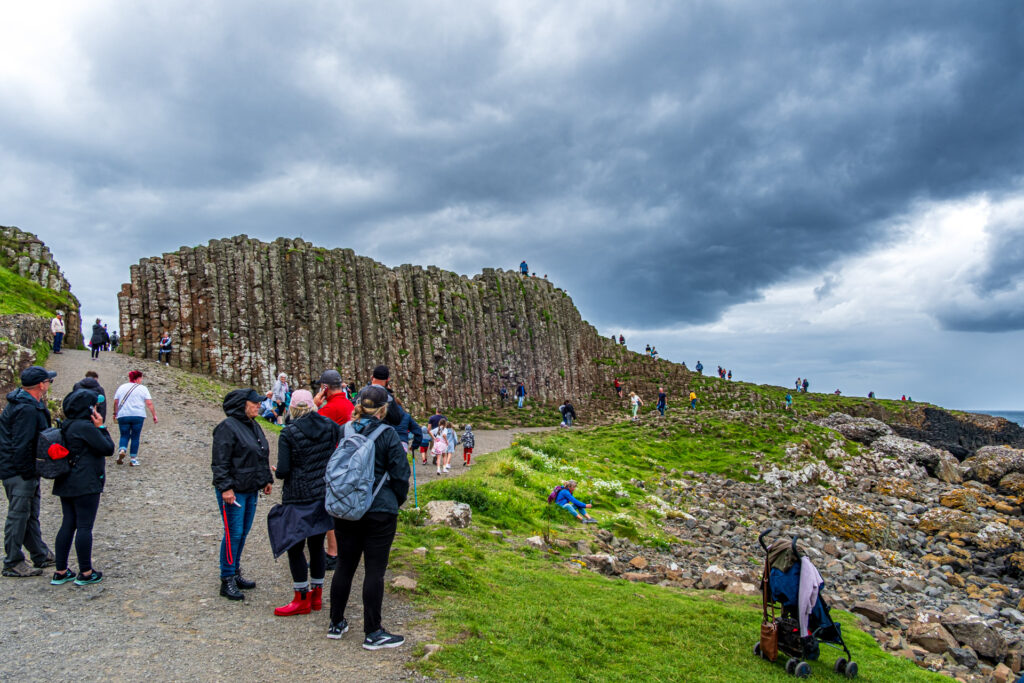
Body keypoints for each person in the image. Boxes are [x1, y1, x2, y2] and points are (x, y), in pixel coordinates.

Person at [327, 386, 410, 649]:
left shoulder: (344, 431)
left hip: (347, 509)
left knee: (344, 566)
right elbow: (400, 476)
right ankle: (373, 631)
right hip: (379, 511)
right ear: (384, 409)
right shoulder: (388, 435)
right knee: (374, 571)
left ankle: (336, 623)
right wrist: (394, 501)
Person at [272, 390, 339, 617]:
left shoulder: (289, 433)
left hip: (298, 495)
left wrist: (276, 471)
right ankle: (317, 594)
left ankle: (301, 597)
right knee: (316, 545)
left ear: (292, 407)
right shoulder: (330, 427)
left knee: (295, 547)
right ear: (313, 405)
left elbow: (283, 470)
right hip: (322, 493)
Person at [211, 389, 273, 601]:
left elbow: (261, 454)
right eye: (254, 403)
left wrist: (266, 479)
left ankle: (235, 571)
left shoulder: (253, 425)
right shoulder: (227, 428)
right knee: (233, 533)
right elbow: (220, 461)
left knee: (243, 532)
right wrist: (225, 487)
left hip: (250, 487)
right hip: (234, 491)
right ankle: (226, 577)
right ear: (242, 404)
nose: (258, 406)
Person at [49, 388, 114, 586]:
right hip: (85, 482)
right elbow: (107, 448)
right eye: (95, 405)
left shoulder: (67, 425)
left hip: (66, 480)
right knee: (85, 526)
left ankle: (60, 570)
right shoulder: (86, 428)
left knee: (67, 524)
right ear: (88, 409)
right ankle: (85, 571)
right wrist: (101, 427)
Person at [0, 366, 56, 577]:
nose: (49, 384)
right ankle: (13, 561)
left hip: (20, 469)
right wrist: (27, 472)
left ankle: (39, 553)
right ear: (41, 385)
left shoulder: (25, 404)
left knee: (29, 514)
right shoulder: (27, 409)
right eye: (48, 381)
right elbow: (22, 444)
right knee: (19, 515)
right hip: (19, 471)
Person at [313, 369, 354, 571]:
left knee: (328, 507)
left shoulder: (330, 408)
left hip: (332, 463)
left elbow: (309, 428)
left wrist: (314, 405)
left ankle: (333, 551)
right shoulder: (348, 404)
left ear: (325, 388)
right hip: (346, 462)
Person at [113, 370, 157, 466]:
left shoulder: (121, 387)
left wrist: (115, 413)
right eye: (141, 378)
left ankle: (122, 449)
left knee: (124, 434)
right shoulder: (143, 388)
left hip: (123, 415)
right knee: (135, 436)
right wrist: (154, 415)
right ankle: (133, 459)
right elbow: (149, 403)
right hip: (138, 415)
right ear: (138, 378)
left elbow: (116, 402)